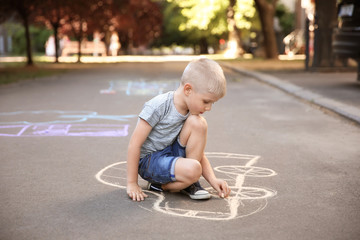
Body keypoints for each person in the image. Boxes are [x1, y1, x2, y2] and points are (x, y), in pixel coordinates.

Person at [127, 58, 231, 202]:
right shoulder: (158, 106)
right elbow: (134, 144)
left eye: (212, 103)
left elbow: (198, 152)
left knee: (199, 123)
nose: (208, 108)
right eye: (206, 101)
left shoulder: (191, 111)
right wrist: (132, 183)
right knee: (194, 168)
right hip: (150, 161)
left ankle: (184, 182)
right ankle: (175, 182)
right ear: (188, 90)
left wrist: (213, 180)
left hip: (171, 154)